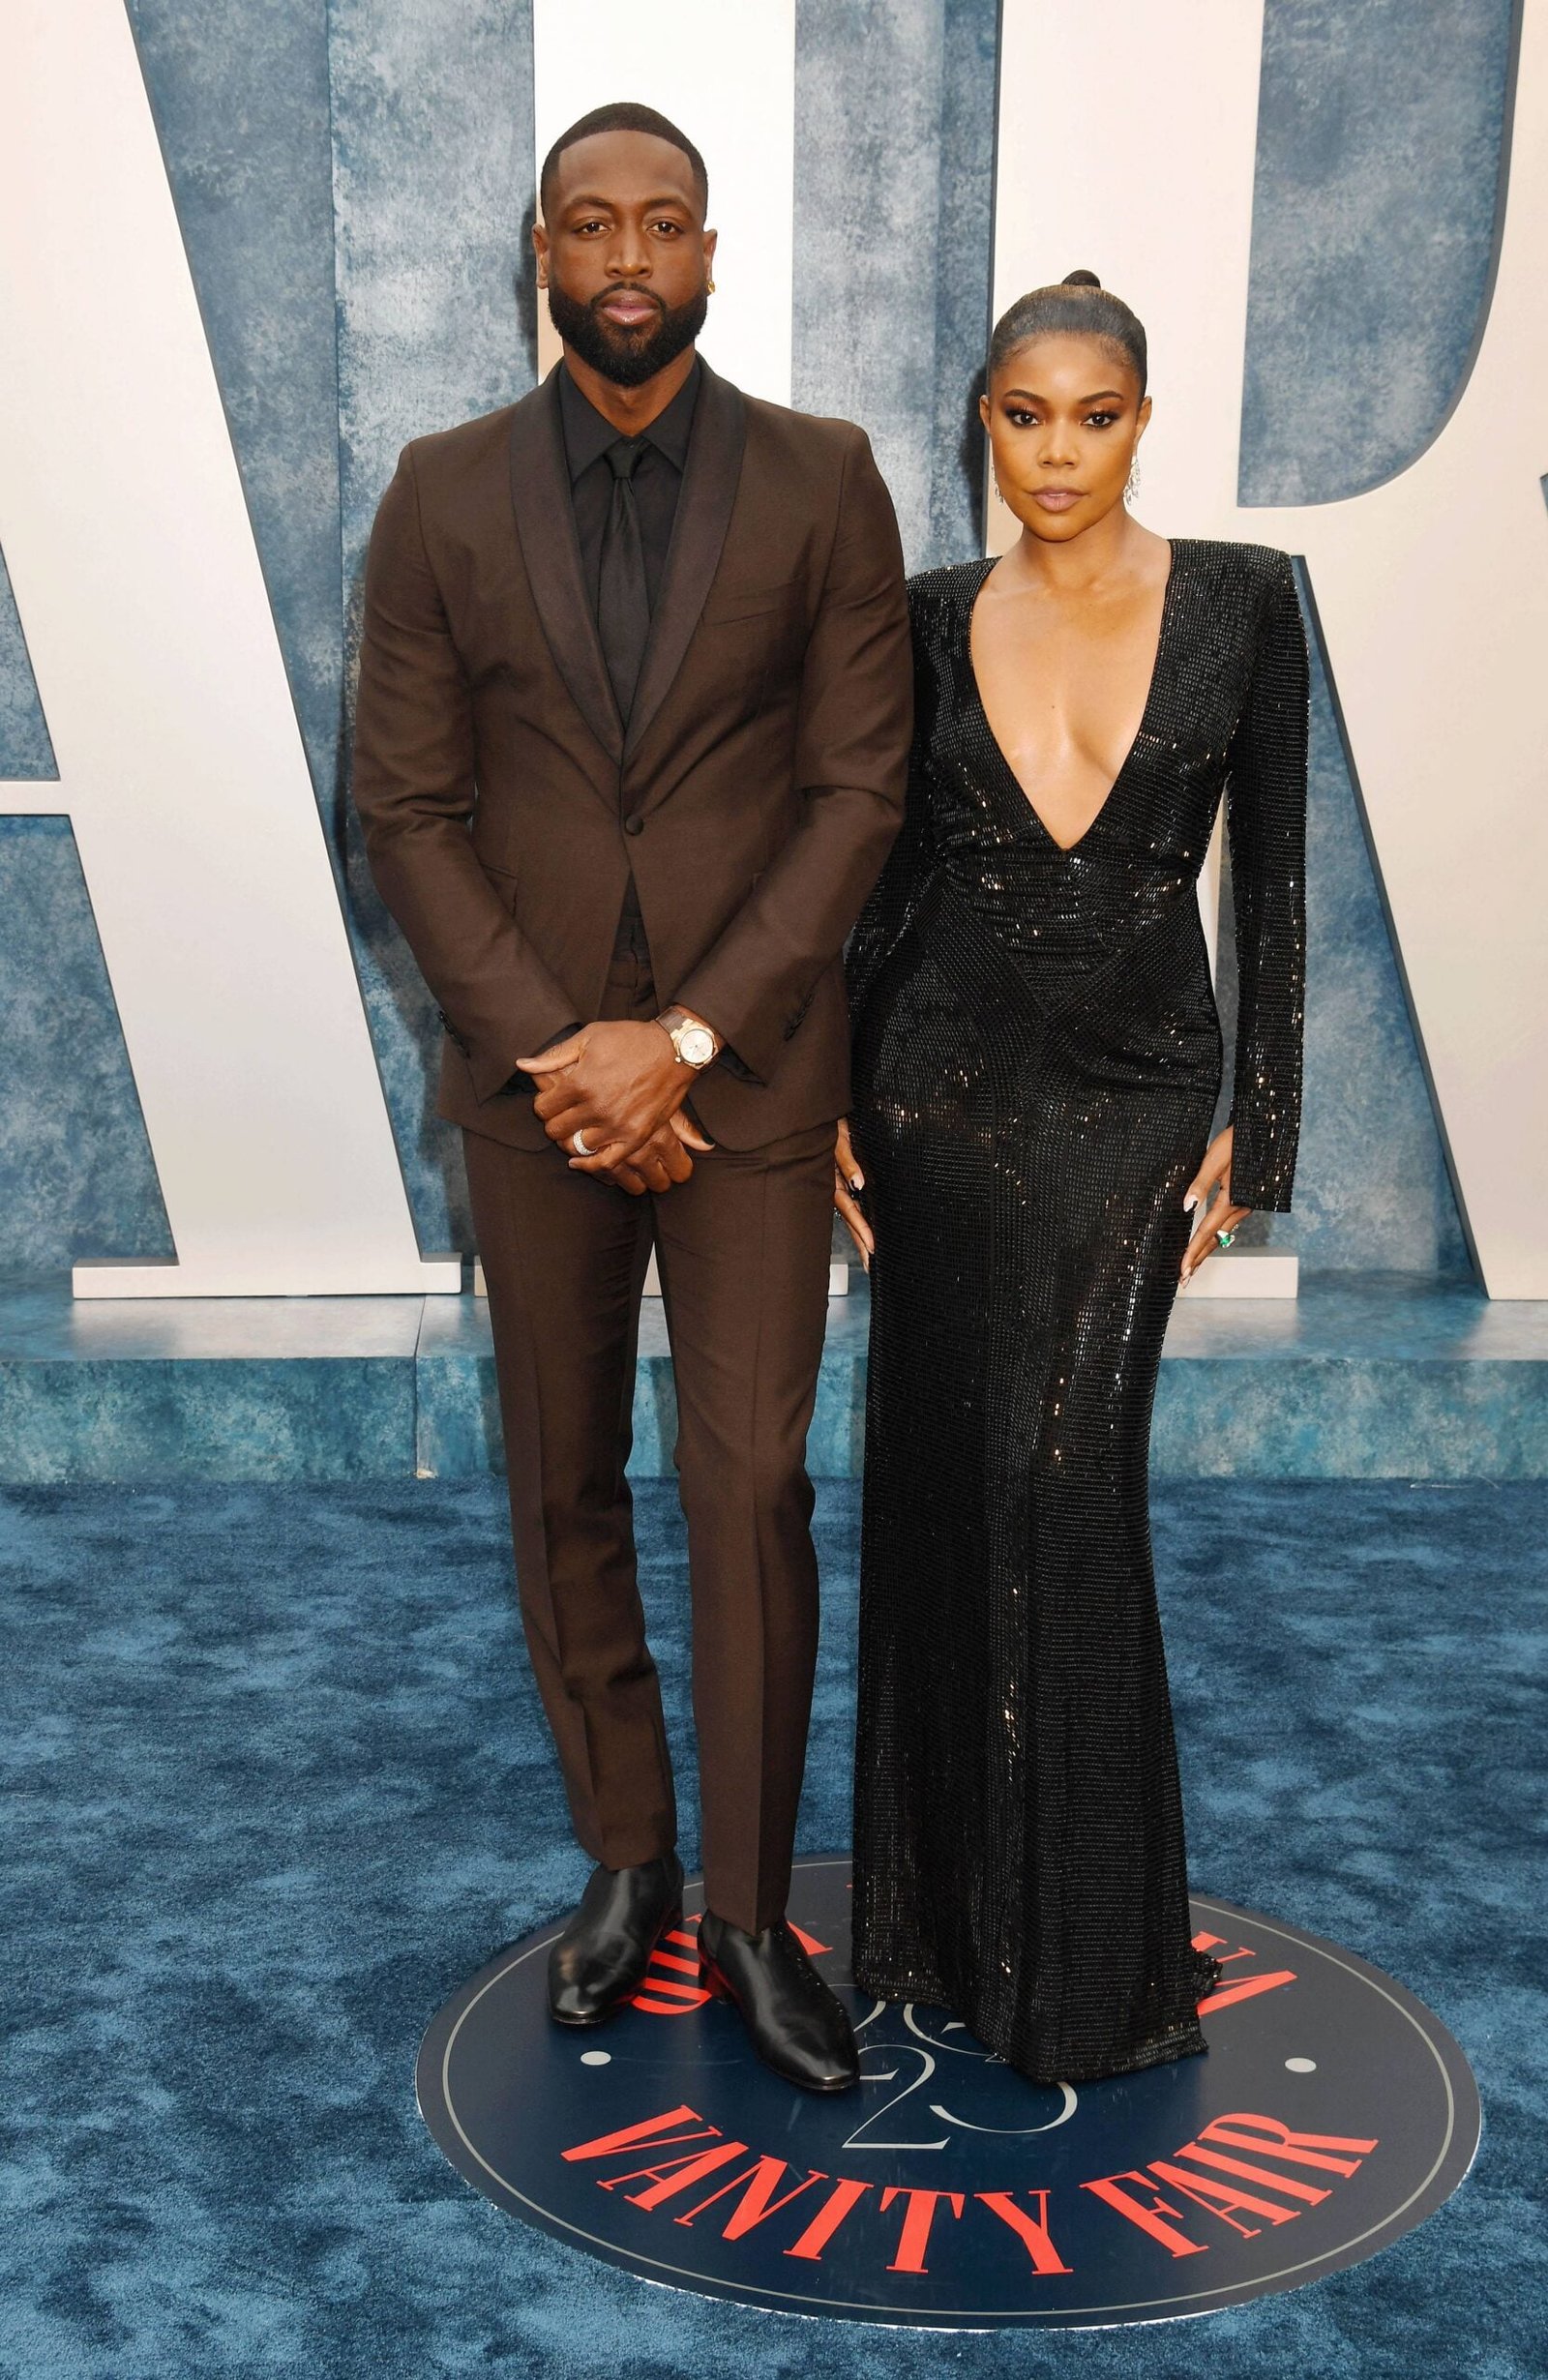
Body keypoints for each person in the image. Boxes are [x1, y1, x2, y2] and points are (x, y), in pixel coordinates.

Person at [352, 103, 910, 2091]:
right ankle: (629, 1857)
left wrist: (676, 1041)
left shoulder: (824, 478)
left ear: (708, 252)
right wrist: (562, 1048)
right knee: (559, 1477)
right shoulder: (439, 494)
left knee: (745, 1484)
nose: (624, 254)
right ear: (539, 250)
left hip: (744, 1076)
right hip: (534, 1091)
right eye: (587, 222)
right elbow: (405, 808)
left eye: (660, 222)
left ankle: (750, 1912)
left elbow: (857, 790)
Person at [841, 271, 1307, 2083]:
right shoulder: (922, 614)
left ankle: (1091, 1964)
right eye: (1026, 416)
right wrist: (827, 1101)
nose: (1058, 451)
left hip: (1136, 1094)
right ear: (987, 422)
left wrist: (1265, 1116)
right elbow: (885, 876)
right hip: (935, 1089)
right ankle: (945, 1923)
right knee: (945, 1477)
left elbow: (1276, 869)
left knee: (1066, 1481)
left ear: (1141, 421)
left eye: (1093, 417)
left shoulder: (1247, 602)